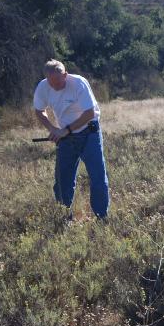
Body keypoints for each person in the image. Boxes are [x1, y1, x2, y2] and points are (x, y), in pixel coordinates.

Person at [33, 59, 109, 222]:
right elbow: (39, 111)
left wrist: (65, 131)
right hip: (65, 138)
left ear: (65, 75)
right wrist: (53, 130)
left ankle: (101, 217)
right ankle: (64, 218)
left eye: (59, 81)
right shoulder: (43, 87)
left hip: (89, 132)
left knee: (97, 177)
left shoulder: (79, 83)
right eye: (52, 83)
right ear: (47, 79)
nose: (56, 86)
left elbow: (89, 113)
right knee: (62, 180)